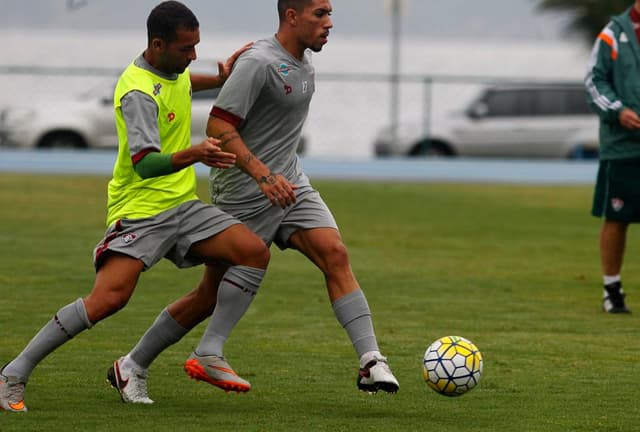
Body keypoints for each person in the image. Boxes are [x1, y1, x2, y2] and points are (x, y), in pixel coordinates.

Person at [115, 0, 399, 401]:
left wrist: (280, 175)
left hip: (291, 185)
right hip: (244, 193)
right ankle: (135, 363)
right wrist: (262, 175)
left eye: (330, 13)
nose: (329, 23)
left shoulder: (304, 64)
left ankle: (371, 360)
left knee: (335, 253)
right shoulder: (259, 62)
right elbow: (219, 125)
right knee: (207, 296)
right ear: (292, 16)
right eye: (320, 14)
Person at [0, 0, 269, 413]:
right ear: (157, 45)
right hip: (141, 212)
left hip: (184, 206)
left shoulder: (169, 69)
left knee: (252, 252)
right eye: (186, 49)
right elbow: (145, 164)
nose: (193, 55)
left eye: (197, 46)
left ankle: (159, 361)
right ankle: (12, 374)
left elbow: (181, 85)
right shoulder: (138, 93)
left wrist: (218, 77)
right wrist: (196, 153)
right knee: (107, 300)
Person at [585, 0, 640, 314]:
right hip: (622, 145)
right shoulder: (613, 33)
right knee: (616, 218)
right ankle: (612, 289)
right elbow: (594, 80)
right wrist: (617, 111)